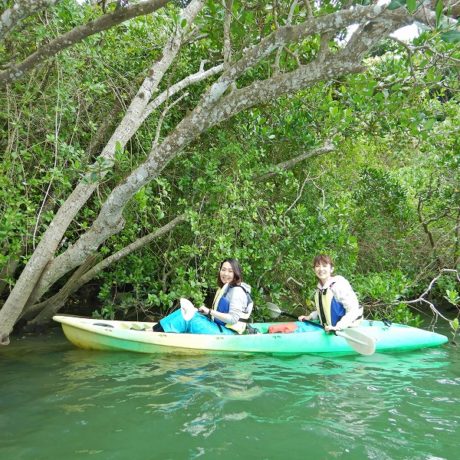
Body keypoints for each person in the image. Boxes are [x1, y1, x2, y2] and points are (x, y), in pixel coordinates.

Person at [152, 258, 253, 335]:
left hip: (228, 334)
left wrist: (209, 311)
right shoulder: (224, 288)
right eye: (223, 269)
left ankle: (155, 333)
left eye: (230, 271)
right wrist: (204, 312)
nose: (226, 273)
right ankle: (155, 329)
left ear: (236, 273)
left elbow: (233, 319)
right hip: (219, 327)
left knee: (188, 319)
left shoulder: (237, 291)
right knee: (186, 312)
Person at [298, 254, 363, 332]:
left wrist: (338, 327)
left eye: (325, 266)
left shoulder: (339, 284)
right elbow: (325, 310)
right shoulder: (320, 289)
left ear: (331, 269)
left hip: (346, 328)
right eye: (317, 266)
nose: (321, 269)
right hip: (330, 328)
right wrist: (310, 317)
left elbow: (353, 310)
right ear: (314, 269)